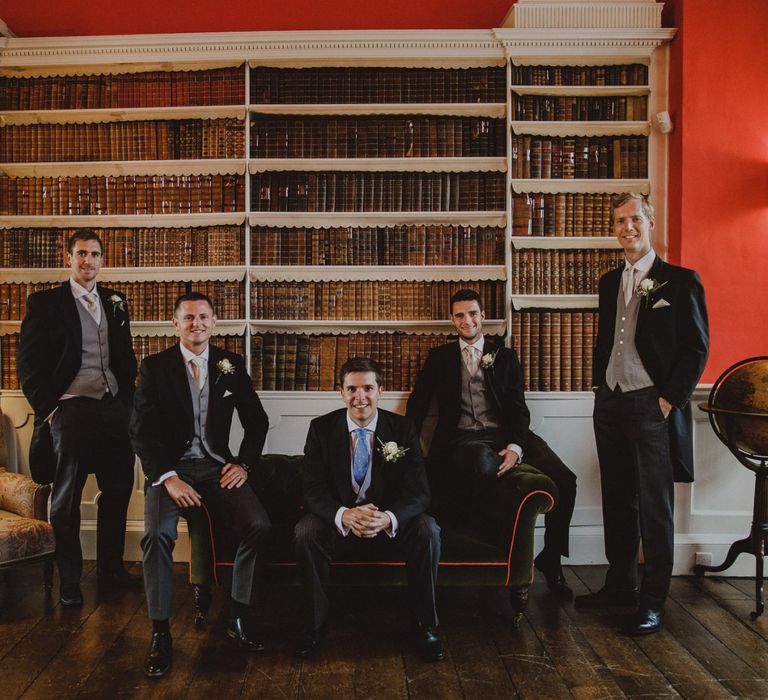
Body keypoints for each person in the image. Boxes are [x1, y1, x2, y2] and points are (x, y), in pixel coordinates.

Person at [575, 193, 709, 635]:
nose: (627, 227)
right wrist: (600, 387)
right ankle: (620, 585)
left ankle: (653, 601)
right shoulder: (610, 281)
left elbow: (695, 349)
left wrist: (668, 399)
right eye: (619, 221)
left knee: (655, 507)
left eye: (634, 219)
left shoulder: (681, 281)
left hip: (652, 404)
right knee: (617, 499)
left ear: (650, 222)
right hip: (610, 402)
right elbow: (607, 338)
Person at [406, 288, 577, 610]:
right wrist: (405, 443)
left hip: (507, 434)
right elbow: (418, 404)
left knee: (566, 480)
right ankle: (495, 549)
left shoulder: (505, 356)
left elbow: (518, 408)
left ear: (483, 316)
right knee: (483, 466)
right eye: (459, 315)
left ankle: (551, 558)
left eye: (472, 313)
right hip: (462, 438)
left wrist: (515, 446)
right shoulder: (439, 358)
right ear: (451, 319)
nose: (466, 320)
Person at [130, 292, 270, 677]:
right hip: (170, 470)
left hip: (215, 466)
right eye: (188, 318)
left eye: (204, 317)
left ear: (215, 321)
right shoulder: (155, 367)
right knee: (157, 536)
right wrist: (167, 477)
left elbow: (257, 422)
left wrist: (242, 464)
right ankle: (160, 632)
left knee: (257, 524)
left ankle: (237, 614)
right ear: (175, 324)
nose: (197, 324)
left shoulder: (231, 364)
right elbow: (141, 433)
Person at [17, 230, 138, 608]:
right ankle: (70, 580)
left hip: (114, 408)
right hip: (69, 411)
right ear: (69, 257)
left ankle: (111, 569)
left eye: (95, 254)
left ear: (104, 260)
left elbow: (125, 356)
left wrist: (128, 403)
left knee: (118, 490)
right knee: (66, 500)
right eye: (82, 254)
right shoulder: (45, 303)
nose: (89, 261)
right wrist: (51, 410)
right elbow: (29, 366)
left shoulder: (117, 302)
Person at [294, 357, 443, 662]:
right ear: (341, 392)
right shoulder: (321, 428)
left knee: (428, 529)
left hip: (386, 524)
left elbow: (419, 491)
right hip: (340, 523)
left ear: (380, 391)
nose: (359, 397)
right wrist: (343, 514)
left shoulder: (402, 428)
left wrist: (388, 518)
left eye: (367, 388)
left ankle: (424, 626)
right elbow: (312, 489)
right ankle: (314, 626)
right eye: (351, 389)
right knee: (305, 531)